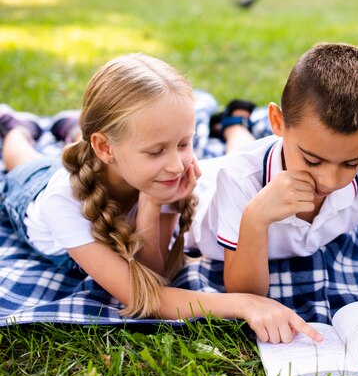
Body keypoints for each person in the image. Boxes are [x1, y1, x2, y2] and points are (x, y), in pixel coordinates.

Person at [0, 53, 322, 344]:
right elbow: (146, 298)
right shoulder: (61, 202)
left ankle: (73, 130)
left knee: (95, 146)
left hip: (106, 157)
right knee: (23, 156)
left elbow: (153, 273)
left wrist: (153, 203)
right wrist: (245, 304)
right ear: (105, 148)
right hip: (32, 191)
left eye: (184, 143)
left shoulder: (163, 174)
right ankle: (13, 125)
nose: (177, 163)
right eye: (156, 150)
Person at [186, 43, 358, 331]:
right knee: (234, 156)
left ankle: (239, 124)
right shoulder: (239, 179)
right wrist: (255, 219)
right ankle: (235, 125)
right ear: (278, 122)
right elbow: (247, 295)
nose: (331, 181)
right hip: (207, 194)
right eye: (312, 161)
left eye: (350, 163)